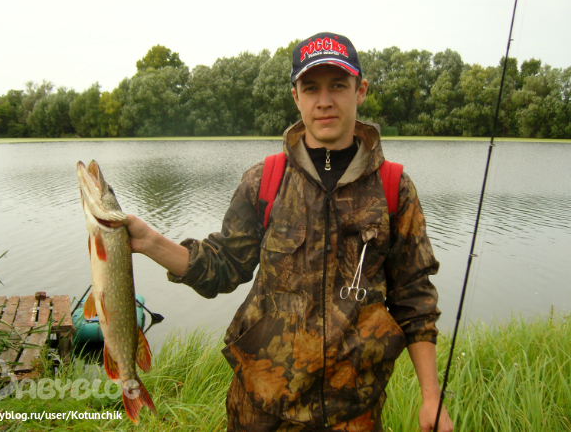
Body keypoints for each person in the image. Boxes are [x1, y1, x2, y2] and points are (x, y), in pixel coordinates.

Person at [125, 32, 454, 432]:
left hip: (353, 411)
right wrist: (149, 242)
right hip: (260, 407)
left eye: (338, 85)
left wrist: (431, 398)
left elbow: (414, 298)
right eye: (311, 88)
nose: (324, 100)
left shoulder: (393, 187)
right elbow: (223, 268)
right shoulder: (264, 180)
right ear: (296, 97)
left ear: (361, 90)